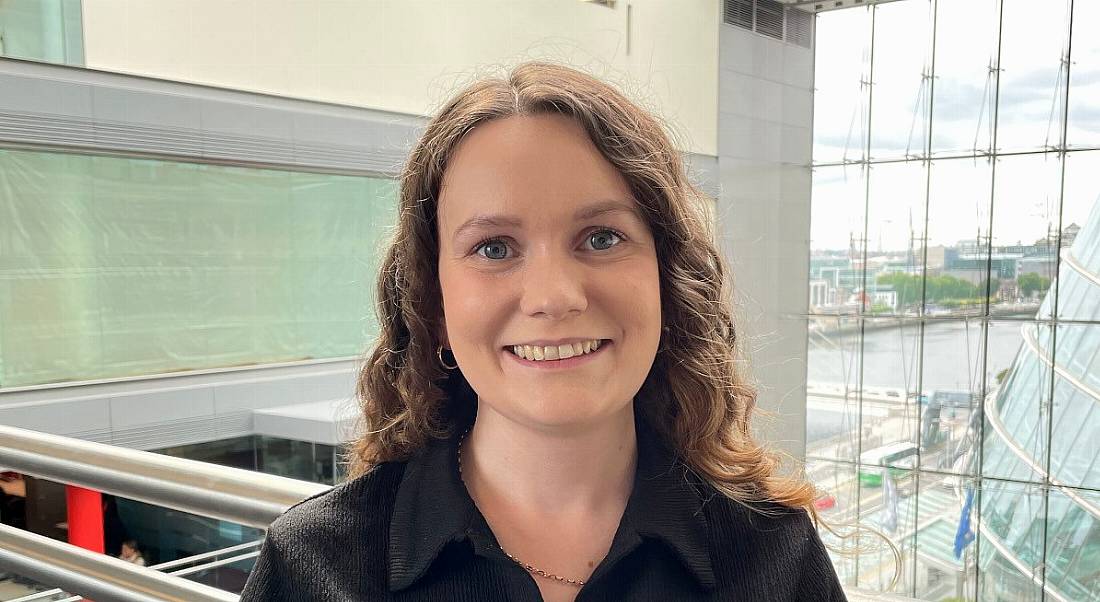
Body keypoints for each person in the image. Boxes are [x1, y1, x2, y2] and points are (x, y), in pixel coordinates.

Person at [240, 61, 845, 601]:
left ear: (667, 279)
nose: (555, 296)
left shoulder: (775, 558)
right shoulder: (316, 569)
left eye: (602, 237)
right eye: (494, 247)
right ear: (434, 302)